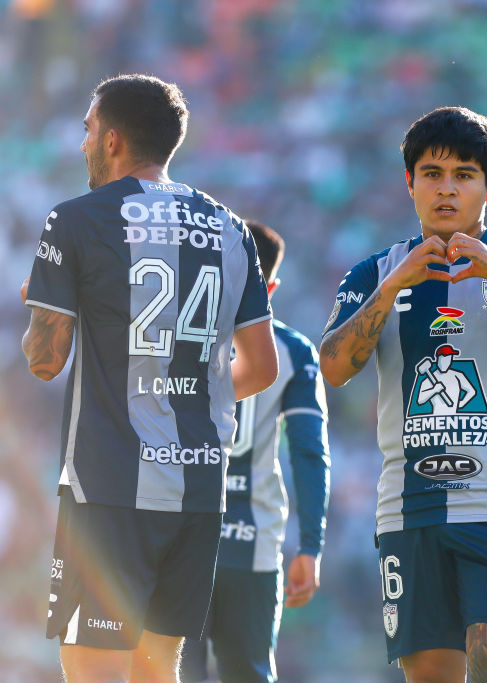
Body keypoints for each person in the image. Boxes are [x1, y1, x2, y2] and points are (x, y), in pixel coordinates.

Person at [319, 106, 487, 683]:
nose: (446, 189)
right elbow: (335, 367)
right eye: (432, 174)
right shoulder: (374, 272)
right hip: (408, 510)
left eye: (464, 175)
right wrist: (393, 286)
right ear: (410, 182)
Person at [21, 74, 278, 683]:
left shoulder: (75, 220)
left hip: (109, 485)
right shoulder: (230, 228)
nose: (82, 142)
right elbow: (262, 367)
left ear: (112, 139)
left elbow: (45, 360)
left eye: (88, 129)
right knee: (158, 668)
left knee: (93, 668)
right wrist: (182, 399)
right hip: (198, 489)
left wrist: (40, 305)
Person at [180, 220, 331, 683]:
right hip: (254, 542)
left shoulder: (177, 337)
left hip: (179, 537)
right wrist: (310, 545)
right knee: (248, 675)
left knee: (169, 672)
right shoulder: (294, 351)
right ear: (271, 288)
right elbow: (309, 453)